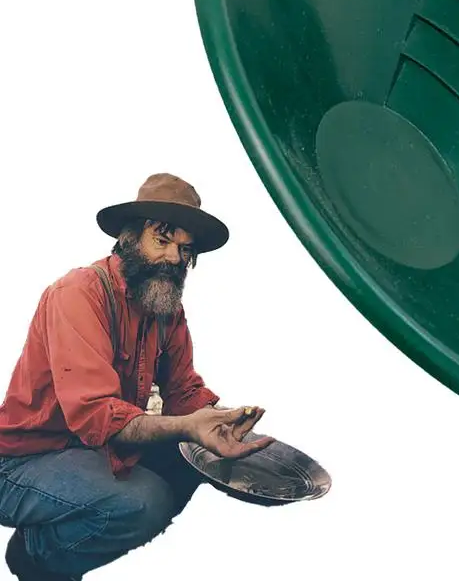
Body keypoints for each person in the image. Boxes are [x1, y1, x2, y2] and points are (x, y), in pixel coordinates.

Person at [0, 173, 272, 580]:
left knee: (196, 460)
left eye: (185, 249)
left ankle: (74, 526)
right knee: (146, 503)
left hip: (90, 450)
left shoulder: (165, 308)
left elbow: (183, 390)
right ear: (130, 239)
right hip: (21, 462)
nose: (174, 258)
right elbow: (95, 415)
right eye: (161, 241)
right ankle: (37, 556)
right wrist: (189, 426)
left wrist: (224, 421)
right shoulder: (79, 293)